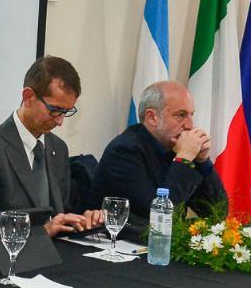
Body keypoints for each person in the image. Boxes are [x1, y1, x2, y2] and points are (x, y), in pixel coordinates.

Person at [0, 56, 105, 235]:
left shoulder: (58, 148)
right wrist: (42, 233)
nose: (60, 122)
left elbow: (61, 214)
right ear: (28, 97)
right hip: (13, 252)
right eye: (55, 110)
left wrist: (81, 220)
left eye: (66, 112)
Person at [87, 80, 227, 235]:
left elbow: (217, 213)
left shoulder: (177, 147)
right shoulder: (124, 151)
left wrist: (202, 161)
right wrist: (184, 158)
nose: (190, 125)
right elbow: (156, 218)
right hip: (119, 243)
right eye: (181, 115)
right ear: (152, 117)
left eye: (191, 115)